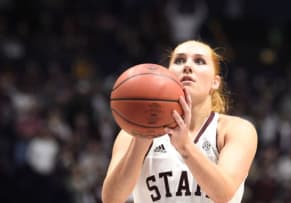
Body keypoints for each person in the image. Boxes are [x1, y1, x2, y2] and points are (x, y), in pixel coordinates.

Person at [102, 40, 258, 203]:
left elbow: (223, 194)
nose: (187, 66)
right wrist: (142, 139)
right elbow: (111, 199)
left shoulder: (236, 130)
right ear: (167, 74)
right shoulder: (132, 133)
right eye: (179, 60)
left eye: (199, 61)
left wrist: (186, 146)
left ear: (215, 82)